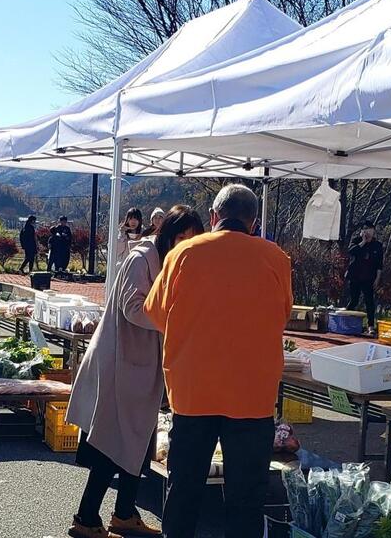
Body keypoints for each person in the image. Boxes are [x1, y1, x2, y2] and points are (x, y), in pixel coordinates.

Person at [144, 184, 293, 538]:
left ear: (213, 218)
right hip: (253, 397)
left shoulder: (184, 253)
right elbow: (282, 314)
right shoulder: (276, 258)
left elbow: (156, 312)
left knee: (184, 489)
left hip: (195, 391)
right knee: (246, 498)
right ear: (253, 222)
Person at [66, 205, 204, 538]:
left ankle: (125, 513)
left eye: (191, 238)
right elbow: (133, 308)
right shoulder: (142, 259)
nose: (184, 243)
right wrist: (177, 318)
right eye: (180, 237)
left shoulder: (172, 263)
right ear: (167, 234)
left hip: (141, 367)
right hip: (120, 363)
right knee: (111, 443)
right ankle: (86, 518)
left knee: (139, 441)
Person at [345, 220, 383, 336]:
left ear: (374, 231)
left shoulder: (377, 245)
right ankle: (346, 322)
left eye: (370, 230)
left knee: (369, 302)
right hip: (355, 276)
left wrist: (377, 279)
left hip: (369, 277)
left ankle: (371, 326)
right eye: (365, 229)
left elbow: (379, 264)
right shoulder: (356, 241)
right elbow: (352, 252)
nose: (368, 232)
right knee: (354, 300)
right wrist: (363, 242)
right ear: (361, 231)